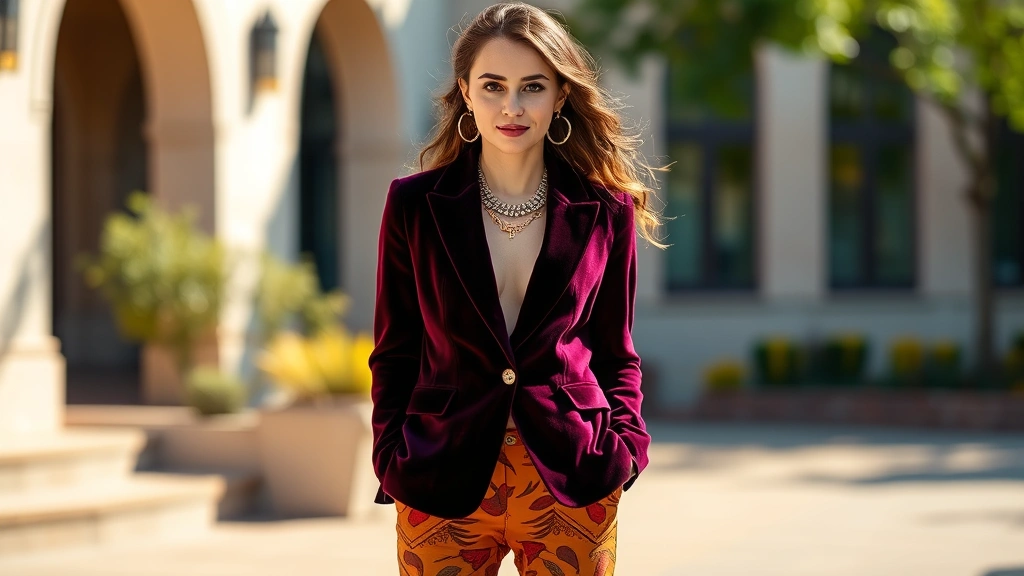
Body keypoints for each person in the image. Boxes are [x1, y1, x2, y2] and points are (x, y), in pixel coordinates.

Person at [369, 3, 663, 574]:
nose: (511, 106)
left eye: (532, 86)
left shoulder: (606, 211)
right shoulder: (413, 205)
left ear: (559, 96)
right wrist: (390, 458)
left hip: (571, 477)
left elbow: (615, 350)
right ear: (466, 92)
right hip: (441, 475)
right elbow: (396, 347)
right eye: (493, 85)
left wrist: (627, 451)